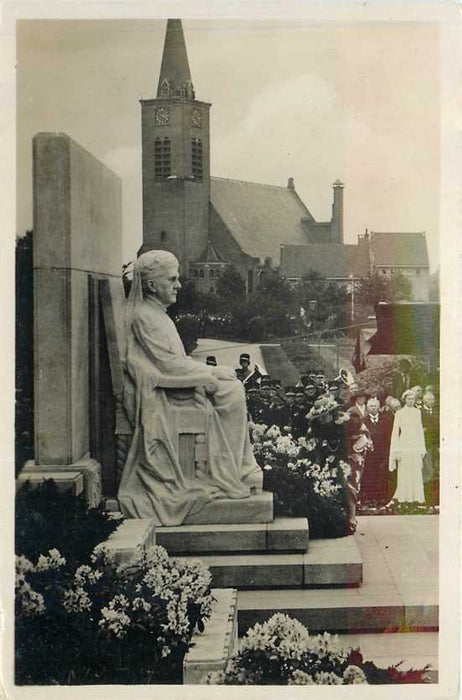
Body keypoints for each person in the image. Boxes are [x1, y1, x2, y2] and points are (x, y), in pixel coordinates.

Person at [118, 250, 261, 525]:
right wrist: (212, 371)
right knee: (231, 391)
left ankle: (237, 467)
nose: (179, 285)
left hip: (171, 384)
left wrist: (211, 373)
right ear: (151, 285)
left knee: (230, 386)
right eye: (172, 279)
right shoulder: (145, 317)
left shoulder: (156, 314)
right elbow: (170, 367)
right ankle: (232, 470)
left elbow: (175, 362)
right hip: (165, 393)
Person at [388, 389, 426, 504]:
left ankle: (416, 498)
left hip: (415, 444)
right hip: (404, 444)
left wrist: (422, 447)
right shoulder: (399, 413)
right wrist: (396, 450)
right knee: (405, 471)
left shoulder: (417, 412)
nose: (411, 401)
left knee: (415, 470)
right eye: (409, 399)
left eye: (413, 399)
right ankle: (404, 497)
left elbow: (420, 430)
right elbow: (395, 432)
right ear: (404, 399)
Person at [361, 397, 391, 506]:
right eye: (370, 406)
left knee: (381, 475)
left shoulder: (386, 420)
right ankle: (369, 498)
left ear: (379, 407)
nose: (373, 408)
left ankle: (381, 498)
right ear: (367, 408)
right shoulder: (363, 421)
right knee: (369, 475)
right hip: (368, 454)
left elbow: (388, 437)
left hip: (382, 453)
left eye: (375, 406)